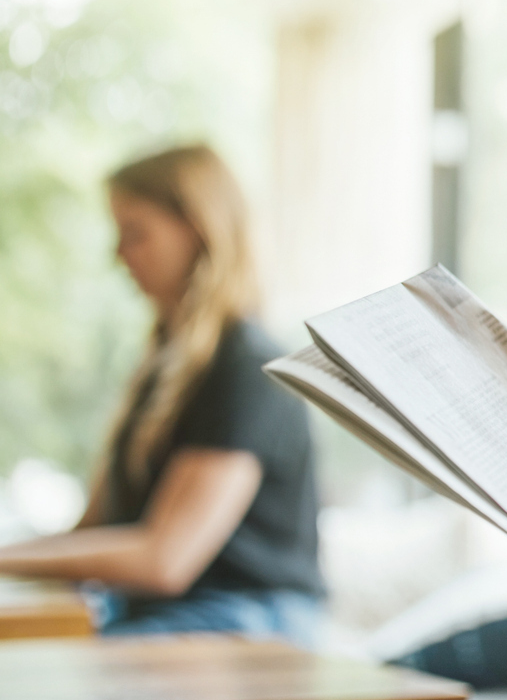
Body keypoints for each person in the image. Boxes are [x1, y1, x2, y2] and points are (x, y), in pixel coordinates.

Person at [0, 145, 325, 643]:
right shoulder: (164, 372)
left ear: (197, 230)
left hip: (247, 621)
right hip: (169, 618)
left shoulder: (245, 367)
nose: (118, 255)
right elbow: (91, 536)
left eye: (135, 234)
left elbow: (165, 560)